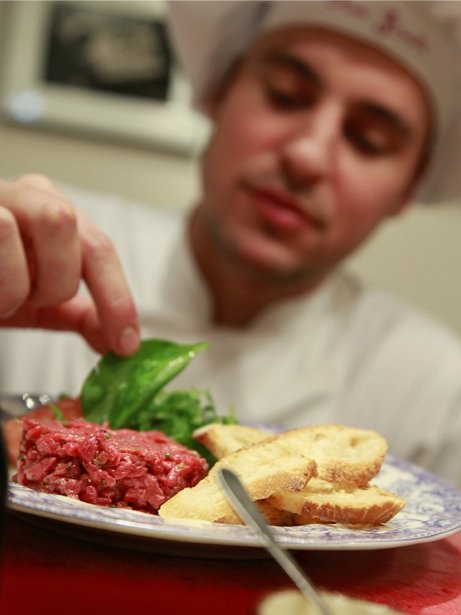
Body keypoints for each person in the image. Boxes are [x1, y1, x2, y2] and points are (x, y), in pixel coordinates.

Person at [0, 0, 460, 487]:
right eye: (285, 96)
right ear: (220, 91)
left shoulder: (433, 391)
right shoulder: (35, 249)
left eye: (367, 139)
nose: (306, 155)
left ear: (407, 189)